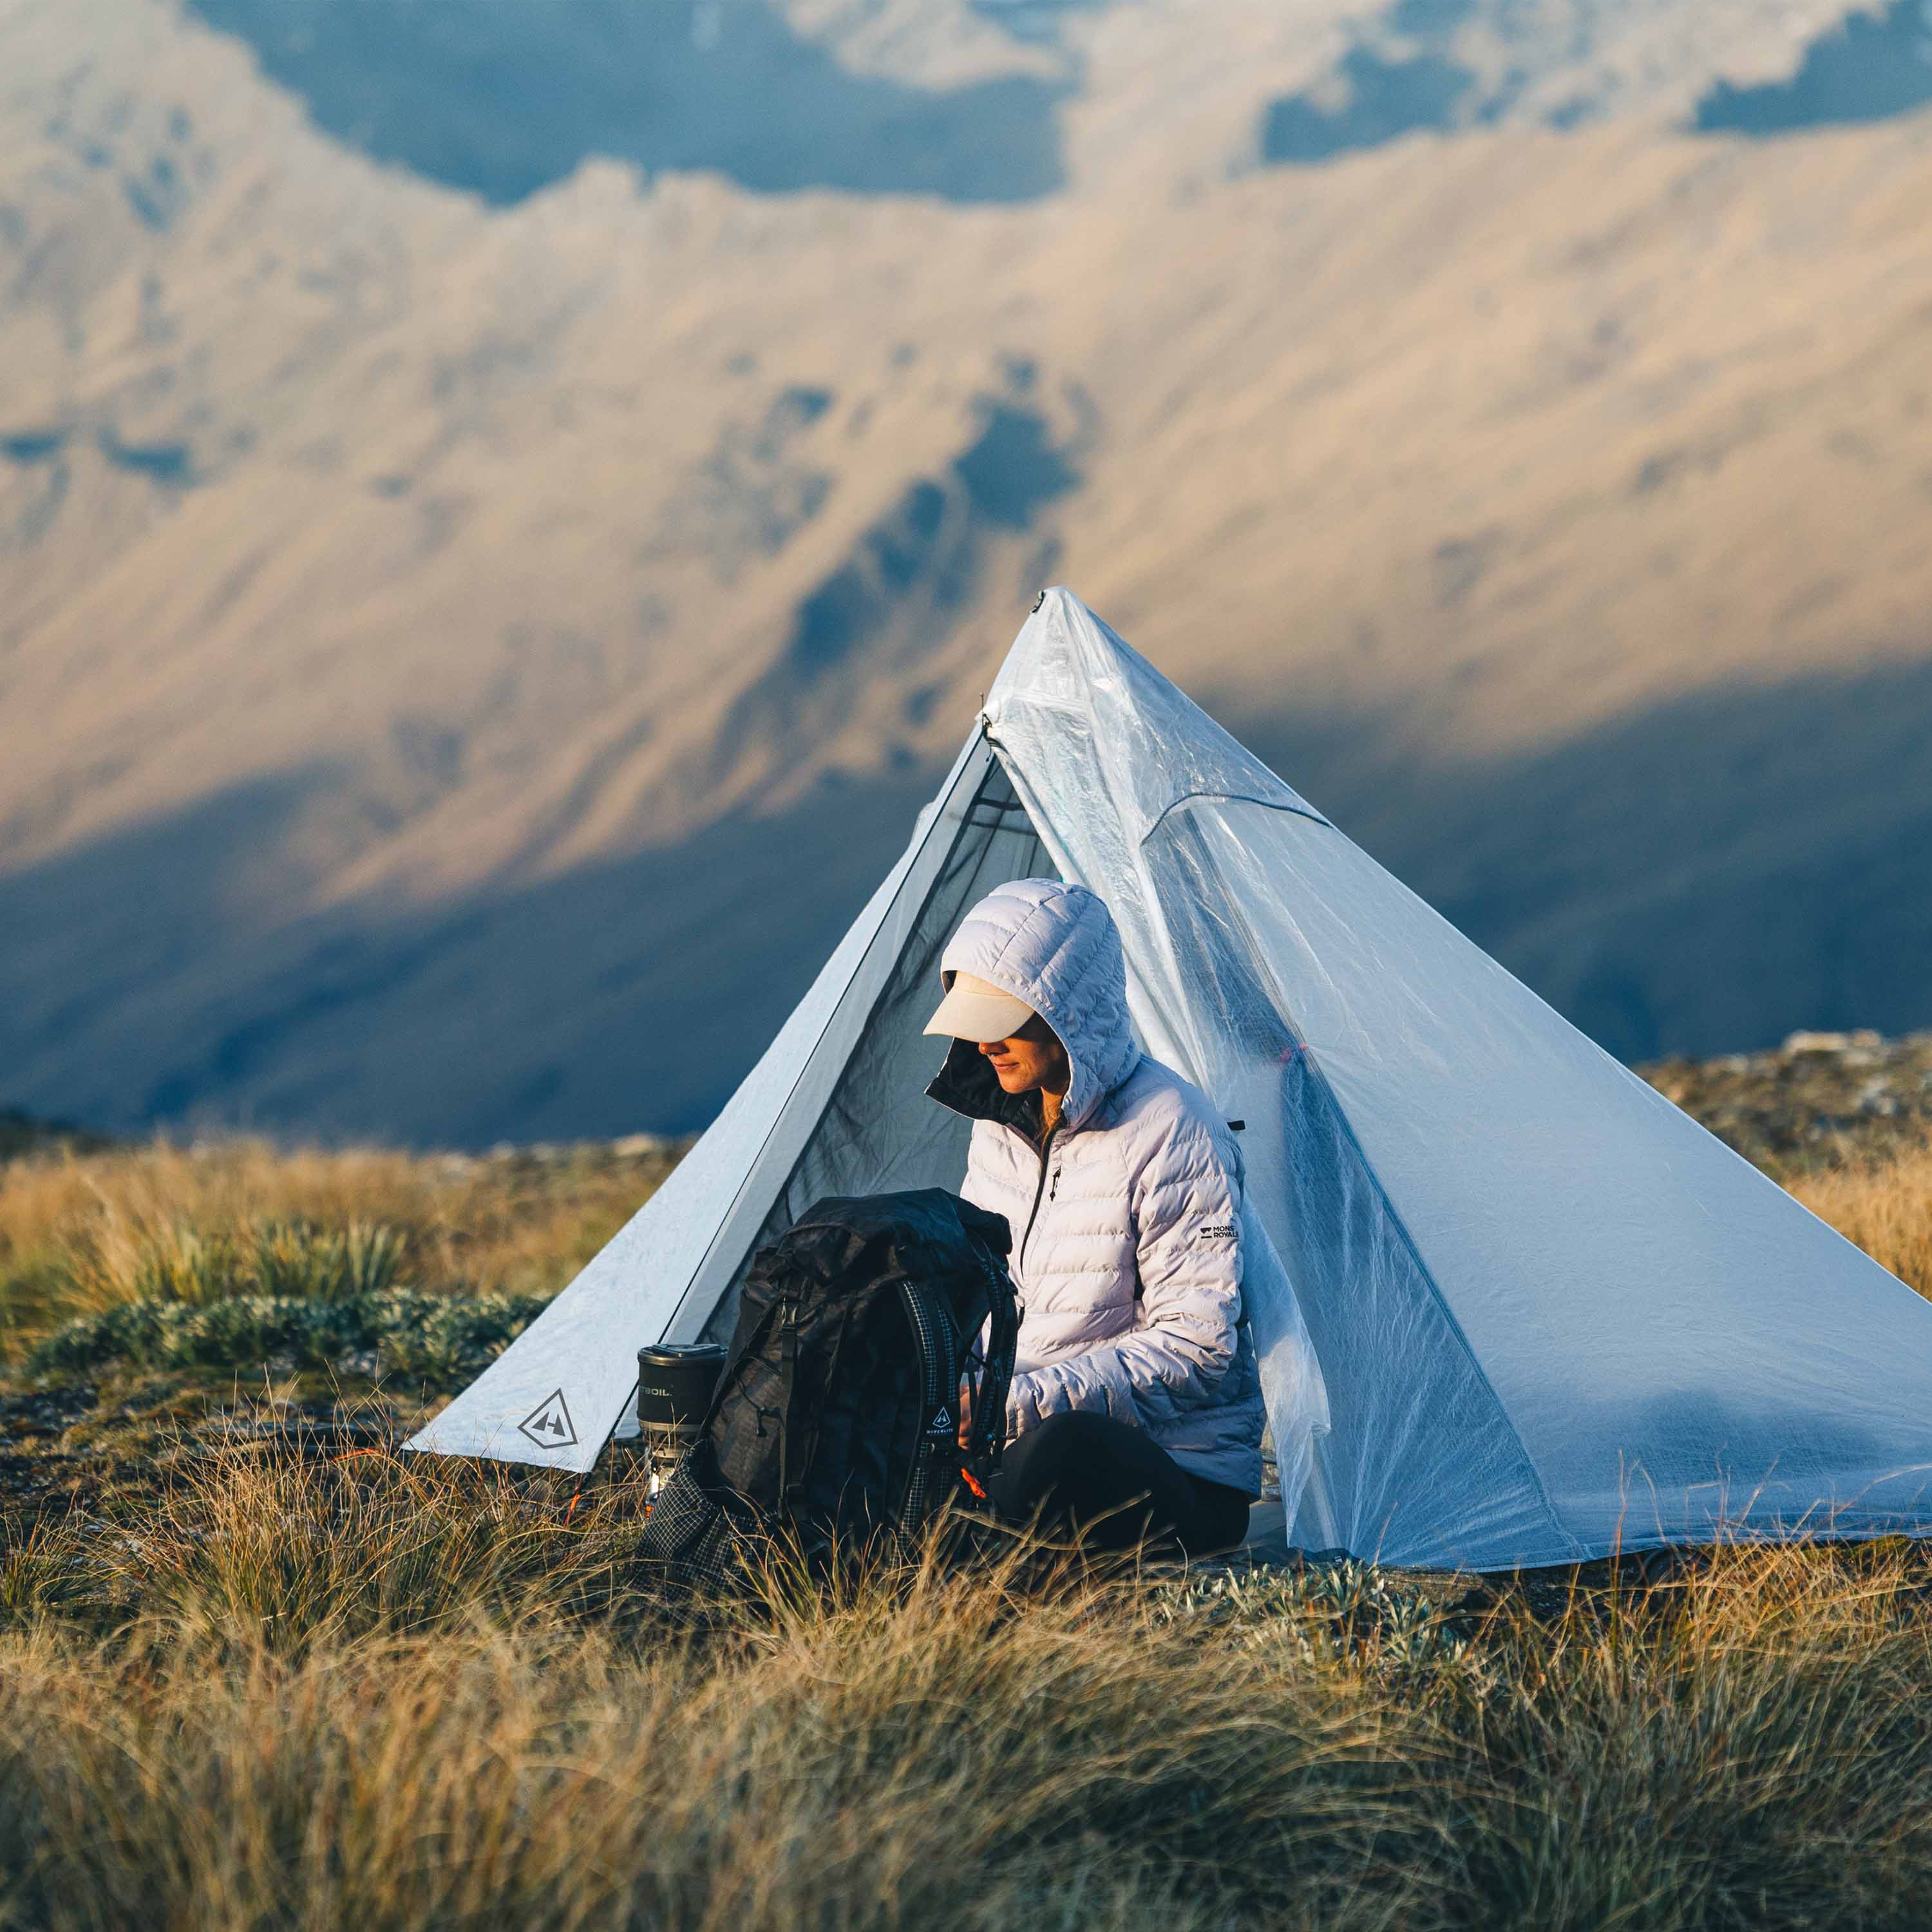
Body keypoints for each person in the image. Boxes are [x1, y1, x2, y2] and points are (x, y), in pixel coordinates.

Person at [923, 877, 1261, 1557]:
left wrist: (1005, 1408)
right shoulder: (997, 1129)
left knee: (1058, 1455)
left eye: (1003, 1021)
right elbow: (982, 1303)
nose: (985, 1046)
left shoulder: (1172, 1127)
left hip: (1175, 1470)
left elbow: (1197, 1351)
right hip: (1007, 1446)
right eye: (974, 1022)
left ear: (1069, 1011)